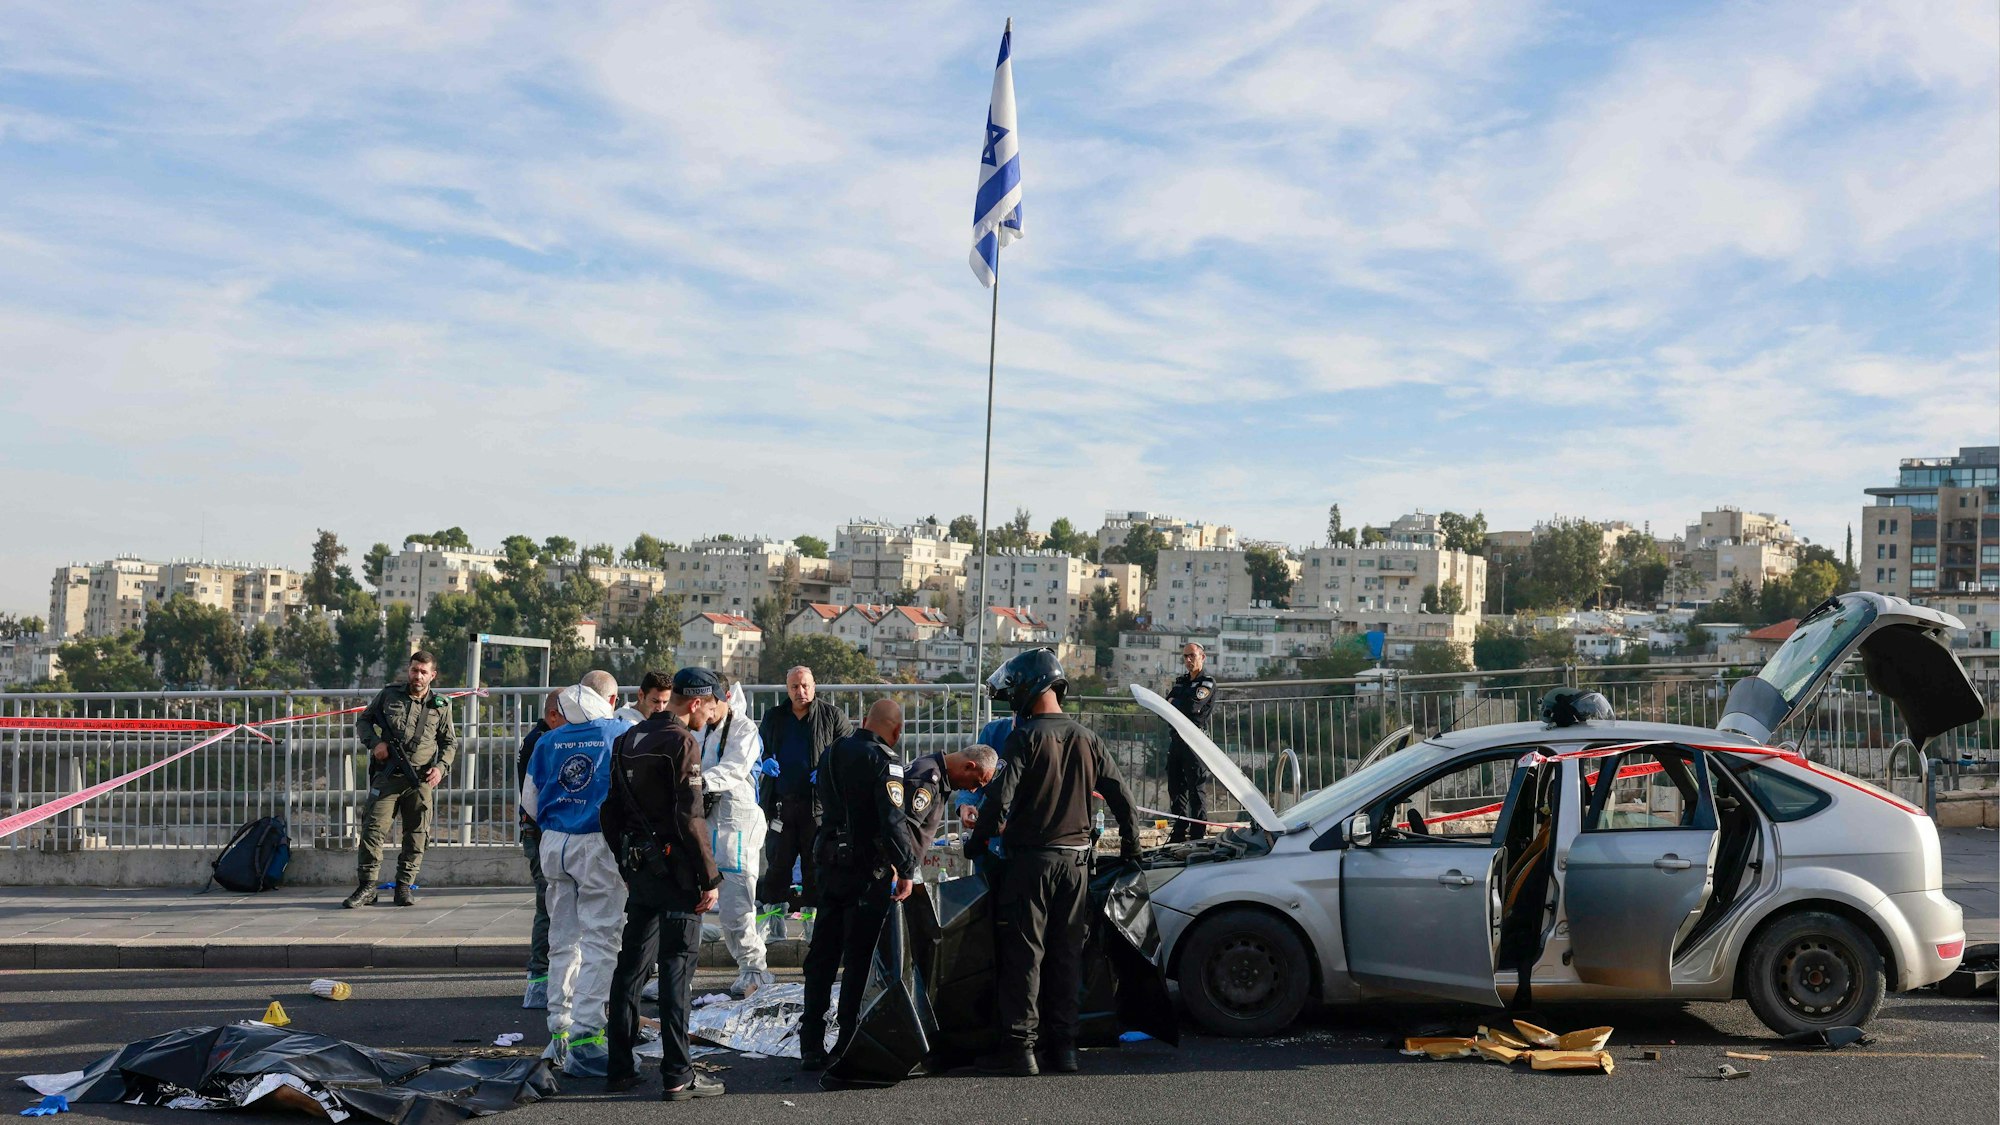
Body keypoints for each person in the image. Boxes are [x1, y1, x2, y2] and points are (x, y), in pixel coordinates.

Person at [967, 648, 1140, 1077]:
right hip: (1078, 865)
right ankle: (1064, 1049)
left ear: (1030, 688)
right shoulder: (1088, 737)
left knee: (1025, 956)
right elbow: (1123, 799)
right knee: (1067, 956)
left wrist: (977, 841)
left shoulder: (1024, 738)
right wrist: (1131, 851)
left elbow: (997, 800)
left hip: (1031, 864)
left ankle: (1020, 1050)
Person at [602, 668, 725, 1101]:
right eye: (710, 710)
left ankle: (619, 1066)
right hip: (677, 875)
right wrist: (709, 878)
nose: (710, 719)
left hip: (642, 871)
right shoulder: (682, 742)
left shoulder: (626, 740)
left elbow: (610, 811)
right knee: (676, 969)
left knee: (631, 968)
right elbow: (691, 819)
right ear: (695, 703)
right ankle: (678, 1074)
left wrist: (627, 862)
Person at [519, 670, 633, 1076]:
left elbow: (529, 801)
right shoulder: (619, 733)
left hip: (555, 842)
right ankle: (587, 1037)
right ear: (612, 699)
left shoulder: (549, 740)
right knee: (602, 940)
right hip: (597, 843)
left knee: (563, 939)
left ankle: (559, 1030)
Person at [798, 699, 918, 1073]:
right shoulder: (886, 761)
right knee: (858, 960)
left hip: (829, 865)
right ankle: (846, 1040)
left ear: (864, 721)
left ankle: (810, 1043)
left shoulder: (832, 752)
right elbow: (893, 821)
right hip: (868, 871)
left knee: (822, 957)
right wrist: (908, 868)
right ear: (896, 732)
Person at [345, 650, 457, 909]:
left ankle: (404, 886)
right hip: (388, 779)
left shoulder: (441, 706)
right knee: (373, 831)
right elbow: (364, 720)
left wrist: (441, 768)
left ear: (433, 675)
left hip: (420, 781)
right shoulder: (389, 695)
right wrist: (375, 743)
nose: (417, 676)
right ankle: (367, 887)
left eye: (423, 672)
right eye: (414, 670)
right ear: (409, 670)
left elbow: (449, 742)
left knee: (417, 835)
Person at [756, 666, 854, 935]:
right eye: (795, 687)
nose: (801, 692)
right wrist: (764, 762)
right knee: (778, 864)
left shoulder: (831, 716)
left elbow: (849, 751)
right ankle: (774, 924)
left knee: (815, 866)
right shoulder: (774, 717)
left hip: (817, 805)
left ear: (814, 685)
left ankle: (813, 926)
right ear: (787, 690)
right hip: (781, 804)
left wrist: (827, 768)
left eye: (805, 686)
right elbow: (757, 748)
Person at [694, 676, 772, 998]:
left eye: (710, 703)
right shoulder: (701, 728)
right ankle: (677, 970)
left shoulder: (742, 729)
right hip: (704, 820)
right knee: (693, 899)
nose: (705, 710)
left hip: (735, 823)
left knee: (736, 903)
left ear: (723, 697)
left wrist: (696, 782)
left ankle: (754, 969)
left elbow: (734, 768)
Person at [518, 689, 563, 1009]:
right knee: (547, 906)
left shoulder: (541, 738)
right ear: (552, 716)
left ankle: (546, 975)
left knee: (551, 905)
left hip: (541, 833)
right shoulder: (542, 742)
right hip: (540, 833)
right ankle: (539, 977)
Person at [902, 743, 998, 880]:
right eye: (976, 783)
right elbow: (901, 829)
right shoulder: (927, 780)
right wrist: (900, 871)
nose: (972, 790)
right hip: (887, 868)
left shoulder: (934, 772)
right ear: (968, 766)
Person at [1164, 642, 1218, 843]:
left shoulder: (1207, 683)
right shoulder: (1181, 682)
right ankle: (1178, 833)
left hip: (1195, 742)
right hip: (1177, 740)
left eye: (1192, 656)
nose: (1188, 660)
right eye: (1185, 656)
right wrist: (1176, 704)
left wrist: (1175, 704)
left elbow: (1192, 706)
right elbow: (1165, 706)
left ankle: (1198, 835)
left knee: (1196, 790)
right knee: (1175, 789)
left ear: (1202, 657)